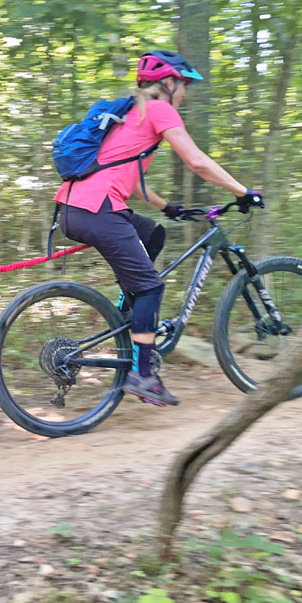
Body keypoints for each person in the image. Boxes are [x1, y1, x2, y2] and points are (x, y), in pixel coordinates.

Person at [54, 49, 264, 407]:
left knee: (153, 233)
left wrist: (169, 208)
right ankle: (145, 375)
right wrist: (243, 192)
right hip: (99, 208)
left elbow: (131, 181)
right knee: (151, 287)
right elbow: (197, 162)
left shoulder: (131, 116)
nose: (184, 94)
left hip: (73, 208)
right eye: (183, 86)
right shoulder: (159, 110)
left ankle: (128, 315)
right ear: (168, 83)